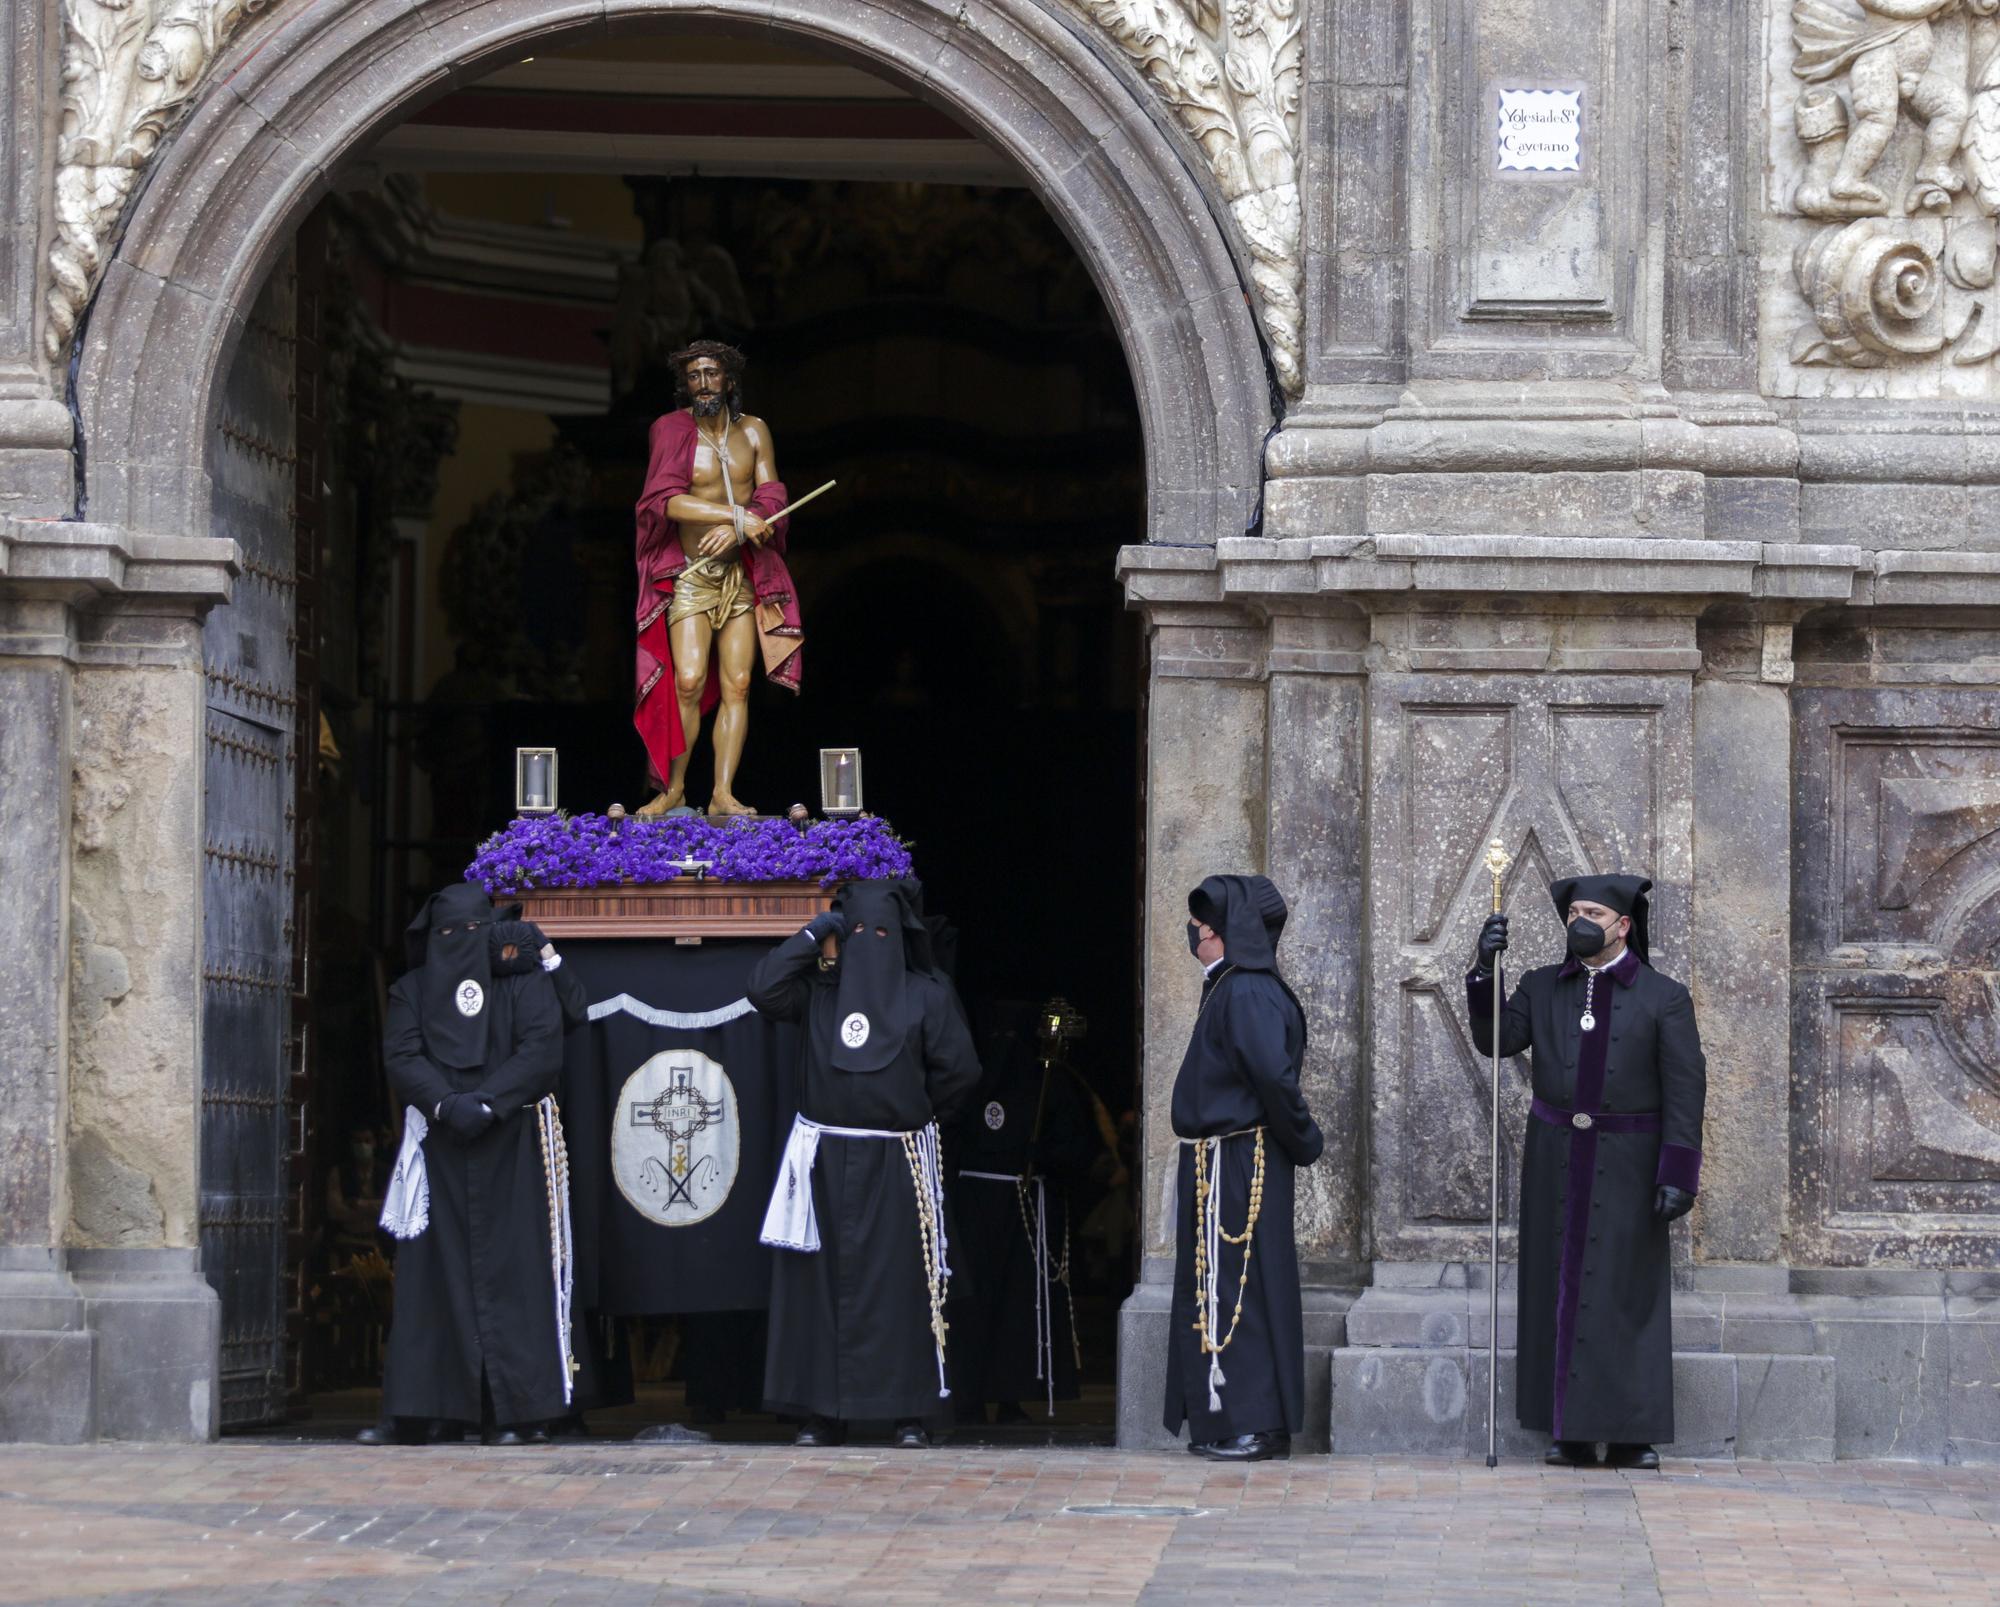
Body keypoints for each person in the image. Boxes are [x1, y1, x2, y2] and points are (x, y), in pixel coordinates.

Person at [1468, 874, 1707, 1470]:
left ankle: (1630, 1433)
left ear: (1622, 925)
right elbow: (1495, 1040)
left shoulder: (1664, 996)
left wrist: (1678, 1172)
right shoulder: (1540, 986)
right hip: (1555, 1160)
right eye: (1574, 911)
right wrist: (1482, 969)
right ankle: (1568, 1431)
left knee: (1625, 1295)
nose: (1580, 921)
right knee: (1558, 1290)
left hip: (1630, 1162)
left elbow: (1685, 1089)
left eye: (1593, 912)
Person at [748, 879, 981, 1448]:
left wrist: (919, 1117)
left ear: (900, 937)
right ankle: (819, 1412)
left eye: (881, 933)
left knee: (901, 1289)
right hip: (823, 1160)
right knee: (818, 1291)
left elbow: (962, 1071)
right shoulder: (820, 995)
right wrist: (814, 932)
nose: (869, 943)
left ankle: (908, 1413)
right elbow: (762, 990)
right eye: (856, 932)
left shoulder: (927, 994)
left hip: (897, 1161)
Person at [362, 883, 573, 1447]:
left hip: (511, 1144)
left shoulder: (524, 985)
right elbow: (403, 1055)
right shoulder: (411, 991)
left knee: (515, 1273)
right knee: (432, 1280)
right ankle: (425, 1409)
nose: (461, 944)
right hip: (438, 1144)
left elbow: (542, 1050)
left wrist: (487, 1102)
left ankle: (516, 1413)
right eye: (449, 935)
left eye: (473, 933)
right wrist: (447, 1105)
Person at [1165, 875, 1324, 1462]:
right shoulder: (1230, 988)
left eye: (1204, 929)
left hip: (1242, 1157)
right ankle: (1228, 1420)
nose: (1195, 937)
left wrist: (1305, 1139)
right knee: (1225, 1282)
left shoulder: (1249, 991)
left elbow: (1273, 1078)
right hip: (1222, 1156)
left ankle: (1256, 1424)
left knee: (1244, 1287)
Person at [631, 339, 802, 818]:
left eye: (712, 373)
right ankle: (674, 789)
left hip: (740, 575)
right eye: (694, 376)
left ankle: (723, 793)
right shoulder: (669, 429)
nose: (703, 383)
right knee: (687, 680)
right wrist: (733, 515)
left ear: (729, 379)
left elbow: (771, 493)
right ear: (684, 384)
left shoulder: (753, 432)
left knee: (740, 682)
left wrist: (746, 524)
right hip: (690, 574)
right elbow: (663, 500)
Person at [948, 1000, 1094, 1423]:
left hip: (1025, 1217)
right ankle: (969, 1395)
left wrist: (1043, 1155)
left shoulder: (1051, 1083)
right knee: (973, 1305)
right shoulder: (969, 1085)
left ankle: (1011, 1395)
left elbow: (1076, 1149)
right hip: (974, 1213)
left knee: (1018, 1309)